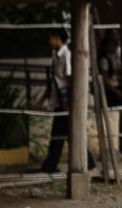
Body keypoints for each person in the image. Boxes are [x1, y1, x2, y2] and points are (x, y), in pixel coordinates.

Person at [37, 28, 95, 173]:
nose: (48, 41)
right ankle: (52, 165)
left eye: (50, 37)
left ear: (57, 38)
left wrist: (68, 103)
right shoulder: (56, 57)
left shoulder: (66, 56)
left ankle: (87, 164)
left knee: (64, 135)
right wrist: (42, 100)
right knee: (63, 135)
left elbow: (70, 80)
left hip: (65, 104)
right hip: (59, 103)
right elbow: (54, 82)